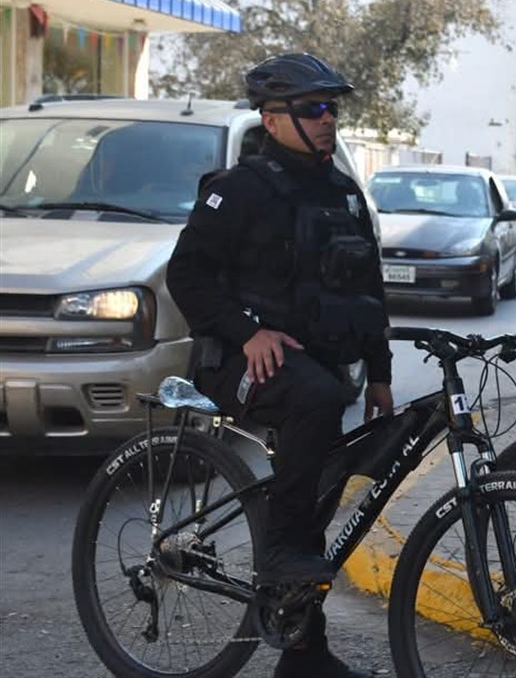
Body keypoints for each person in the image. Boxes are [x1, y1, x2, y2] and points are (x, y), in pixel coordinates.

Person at [166, 53, 391, 678]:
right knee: (315, 402)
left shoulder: (343, 193)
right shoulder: (238, 190)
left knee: (319, 488)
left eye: (333, 109)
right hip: (237, 362)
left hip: (314, 369)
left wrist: (380, 373)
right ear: (272, 117)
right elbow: (186, 276)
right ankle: (284, 555)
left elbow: (368, 291)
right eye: (314, 109)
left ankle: (302, 653)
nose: (328, 121)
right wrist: (248, 331)